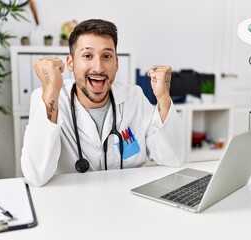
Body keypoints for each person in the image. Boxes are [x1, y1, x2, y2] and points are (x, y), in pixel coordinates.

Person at [21, 19, 185, 187]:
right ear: (70, 63)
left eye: (106, 56)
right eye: (87, 56)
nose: (98, 68)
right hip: (72, 205)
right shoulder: (49, 97)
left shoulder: (134, 97)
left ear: (116, 62)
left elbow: (172, 157)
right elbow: (36, 175)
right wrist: (50, 89)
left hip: (128, 203)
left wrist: (163, 97)